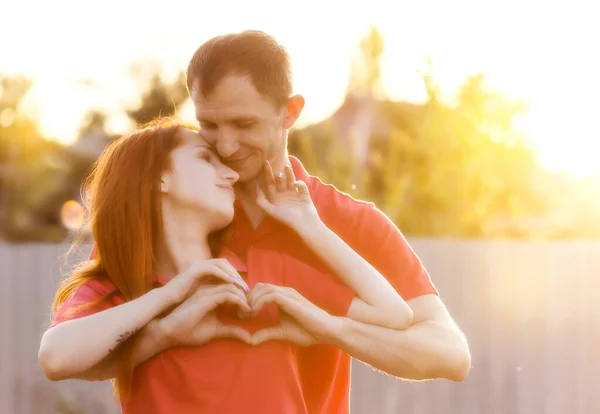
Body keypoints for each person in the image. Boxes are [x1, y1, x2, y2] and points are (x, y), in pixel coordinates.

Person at [38, 118, 414, 413]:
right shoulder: (121, 287)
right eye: (205, 159)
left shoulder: (268, 274)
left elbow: (394, 313)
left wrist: (310, 229)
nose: (231, 174)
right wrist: (170, 307)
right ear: (159, 179)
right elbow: (56, 358)